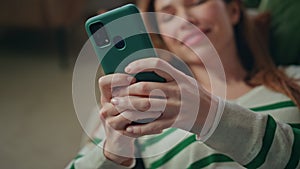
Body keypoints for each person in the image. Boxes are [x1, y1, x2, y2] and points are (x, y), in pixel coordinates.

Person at [67, 0, 300, 168]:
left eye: (197, 2)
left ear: (234, 10)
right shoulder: (139, 108)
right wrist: (114, 153)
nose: (186, 20)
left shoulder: (294, 79)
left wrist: (211, 116)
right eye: (168, 16)